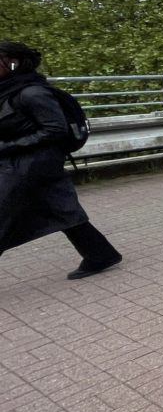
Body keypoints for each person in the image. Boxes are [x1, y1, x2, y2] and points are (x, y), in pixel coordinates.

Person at [0, 41, 122, 280]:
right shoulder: (8, 90)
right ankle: (100, 254)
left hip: (33, 163)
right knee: (60, 208)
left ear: (13, 63)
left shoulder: (32, 92)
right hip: (23, 162)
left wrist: (6, 146)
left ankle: (100, 254)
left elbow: (56, 129)